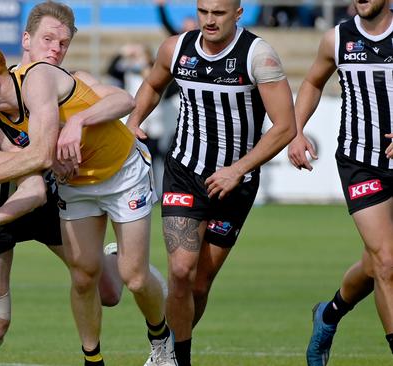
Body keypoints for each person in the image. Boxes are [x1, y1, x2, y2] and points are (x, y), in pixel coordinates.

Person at [0, 3, 167, 365]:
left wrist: (83, 123)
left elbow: (121, 99)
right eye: (48, 40)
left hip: (50, 198)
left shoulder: (68, 80)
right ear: (25, 40)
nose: (55, 50)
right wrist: (18, 173)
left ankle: (122, 273)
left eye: (63, 43)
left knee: (109, 291)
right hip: (0, 203)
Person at [126, 0, 297, 364]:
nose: (209, 20)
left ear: (238, 13)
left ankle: (168, 345)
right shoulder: (176, 48)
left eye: (218, 13)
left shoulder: (258, 56)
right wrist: (134, 119)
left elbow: (285, 126)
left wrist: (238, 170)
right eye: (203, 11)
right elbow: (153, 84)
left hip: (236, 184)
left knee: (199, 284)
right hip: (185, 173)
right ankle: (173, 359)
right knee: (181, 270)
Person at [287, 0, 393, 364]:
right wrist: (295, 132)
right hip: (361, 162)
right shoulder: (337, 39)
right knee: (387, 262)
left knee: (375, 262)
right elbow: (314, 81)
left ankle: (329, 314)